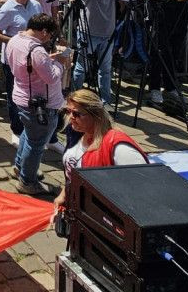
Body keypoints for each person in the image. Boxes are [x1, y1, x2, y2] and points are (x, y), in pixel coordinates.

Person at [50, 90, 147, 223]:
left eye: (77, 113)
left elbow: (144, 186)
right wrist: (64, 194)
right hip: (81, 215)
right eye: (68, 111)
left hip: (103, 221)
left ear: (96, 115)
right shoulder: (77, 133)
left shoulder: (118, 147)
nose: (71, 117)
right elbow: (72, 172)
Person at [4, 13, 65, 195]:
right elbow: (51, 77)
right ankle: (27, 181)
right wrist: (61, 64)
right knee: (36, 143)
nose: (49, 39)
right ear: (44, 31)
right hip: (39, 103)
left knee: (28, 135)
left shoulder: (15, 39)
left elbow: (26, 65)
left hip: (22, 97)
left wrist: (47, 59)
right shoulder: (36, 50)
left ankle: (20, 167)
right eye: (49, 35)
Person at [139, 0, 188, 110]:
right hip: (159, 22)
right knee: (158, 56)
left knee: (173, 56)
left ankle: (170, 87)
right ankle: (154, 88)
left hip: (178, 22)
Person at [71, 0, 131, 104]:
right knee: (81, 68)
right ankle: (74, 98)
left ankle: (105, 101)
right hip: (88, 33)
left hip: (107, 34)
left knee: (105, 70)